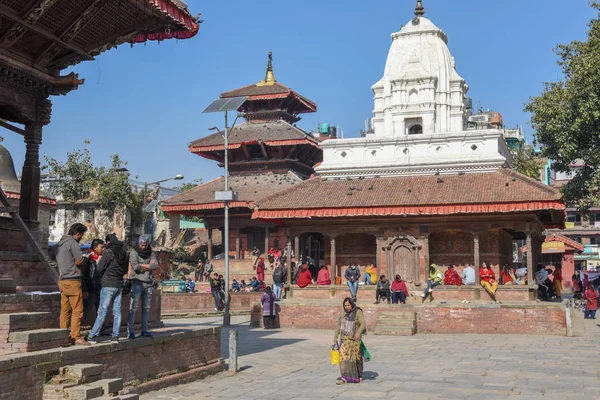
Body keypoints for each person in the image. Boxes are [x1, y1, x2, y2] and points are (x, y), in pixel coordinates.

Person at [88, 233, 129, 344]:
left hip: (107, 284)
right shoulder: (124, 253)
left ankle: (92, 335)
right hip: (119, 284)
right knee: (117, 311)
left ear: (108, 242)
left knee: (102, 311)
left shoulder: (108, 252)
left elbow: (100, 267)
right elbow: (125, 271)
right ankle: (115, 336)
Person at [56, 223, 89, 345]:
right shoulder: (73, 243)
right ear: (78, 234)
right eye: (82, 235)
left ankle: (62, 336)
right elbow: (79, 261)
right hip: (73, 280)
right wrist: (86, 258)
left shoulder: (60, 243)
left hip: (62, 280)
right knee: (77, 310)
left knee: (65, 310)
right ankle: (75, 336)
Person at [128, 235, 158, 339]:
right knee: (133, 307)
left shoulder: (152, 253)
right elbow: (135, 267)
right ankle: (130, 331)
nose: (143, 247)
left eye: (145, 245)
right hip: (137, 282)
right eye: (141, 245)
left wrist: (142, 265)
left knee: (146, 308)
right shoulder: (134, 252)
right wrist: (148, 265)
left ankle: (144, 330)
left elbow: (155, 266)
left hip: (148, 283)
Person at [333, 298, 366, 385]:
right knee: (343, 357)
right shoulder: (342, 313)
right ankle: (344, 377)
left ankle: (358, 375)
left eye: (348, 305)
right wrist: (336, 337)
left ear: (352, 304)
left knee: (356, 358)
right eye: (345, 305)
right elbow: (338, 325)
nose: (347, 307)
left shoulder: (358, 312)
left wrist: (358, 333)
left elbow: (363, 324)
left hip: (354, 340)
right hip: (344, 340)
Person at [81, 239, 104, 328]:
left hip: (99, 288)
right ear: (95, 248)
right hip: (90, 289)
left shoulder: (102, 258)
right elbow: (83, 276)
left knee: (101, 310)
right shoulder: (87, 259)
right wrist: (85, 290)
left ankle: (101, 329)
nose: (103, 249)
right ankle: (76, 329)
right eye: (101, 247)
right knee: (85, 310)